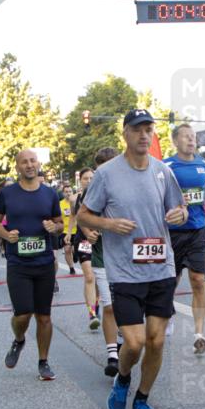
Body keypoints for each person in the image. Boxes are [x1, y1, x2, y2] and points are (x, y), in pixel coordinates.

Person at [77, 109, 187, 409]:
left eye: (148, 129)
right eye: (137, 129)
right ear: (124, 133)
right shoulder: (107, 174)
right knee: (135, 343)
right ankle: (123, 378)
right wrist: (109, 223)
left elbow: (178, 207)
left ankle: (142, 399)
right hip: (125, 271)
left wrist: (179, 214)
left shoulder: (163, 172)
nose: (143, 135)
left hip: (161, 268)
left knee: (157, 340)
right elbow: (84, 215)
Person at [0, 149, 63, 381]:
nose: (30, 165)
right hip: (18, 263)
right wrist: (5, 234)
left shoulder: (50, 194)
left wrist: (55, 228)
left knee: (44, 317)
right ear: (18, 167)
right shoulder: (7, 193)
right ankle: (19, 340)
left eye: (32, 161)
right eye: (24, 162)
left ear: (38, 164)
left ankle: (43, 361)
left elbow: (59, 222)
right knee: (23, 315)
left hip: (44, 263)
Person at [165, 123, 205, 354]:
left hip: (197, 230)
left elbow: (204, 191)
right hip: (173, 233)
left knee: (198, 280)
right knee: (170, 282)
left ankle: (199, 333)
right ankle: (168, 312)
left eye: (193, 136)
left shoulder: (203, 165)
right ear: (175, 141)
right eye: (185, 137)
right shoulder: (166, 166)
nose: (191, 140)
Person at [88, 147, 122, 377]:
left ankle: (120, 343)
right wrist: (88, 230)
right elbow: (82, 215)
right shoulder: (92, 189)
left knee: (128, 310)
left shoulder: (131, 186)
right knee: (109, 307)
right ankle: (112, 355)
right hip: (102, 257)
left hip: (130, 259)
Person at [71, 167, 101, 331]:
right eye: (85, 179)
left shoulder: (102, 195)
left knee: (99, 278)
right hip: (83, 240)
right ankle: (92, 314)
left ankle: (96, 305)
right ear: (80, 181)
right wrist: (70, 234)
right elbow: (76, 219)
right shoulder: (75, 198)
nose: (89, 181)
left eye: (91, 178)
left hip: (100, 241)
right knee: (89, 276)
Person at [60, 184, 78, 276]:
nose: (68, 193)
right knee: (67, 249)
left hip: (77, 229)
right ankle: (71, 268)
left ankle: (75, 253)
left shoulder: (76, 202)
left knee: (76, 249)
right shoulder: (60, 204)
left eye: (70, 191)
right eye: (66, 192)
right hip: (65, 231)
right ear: (63, 193)